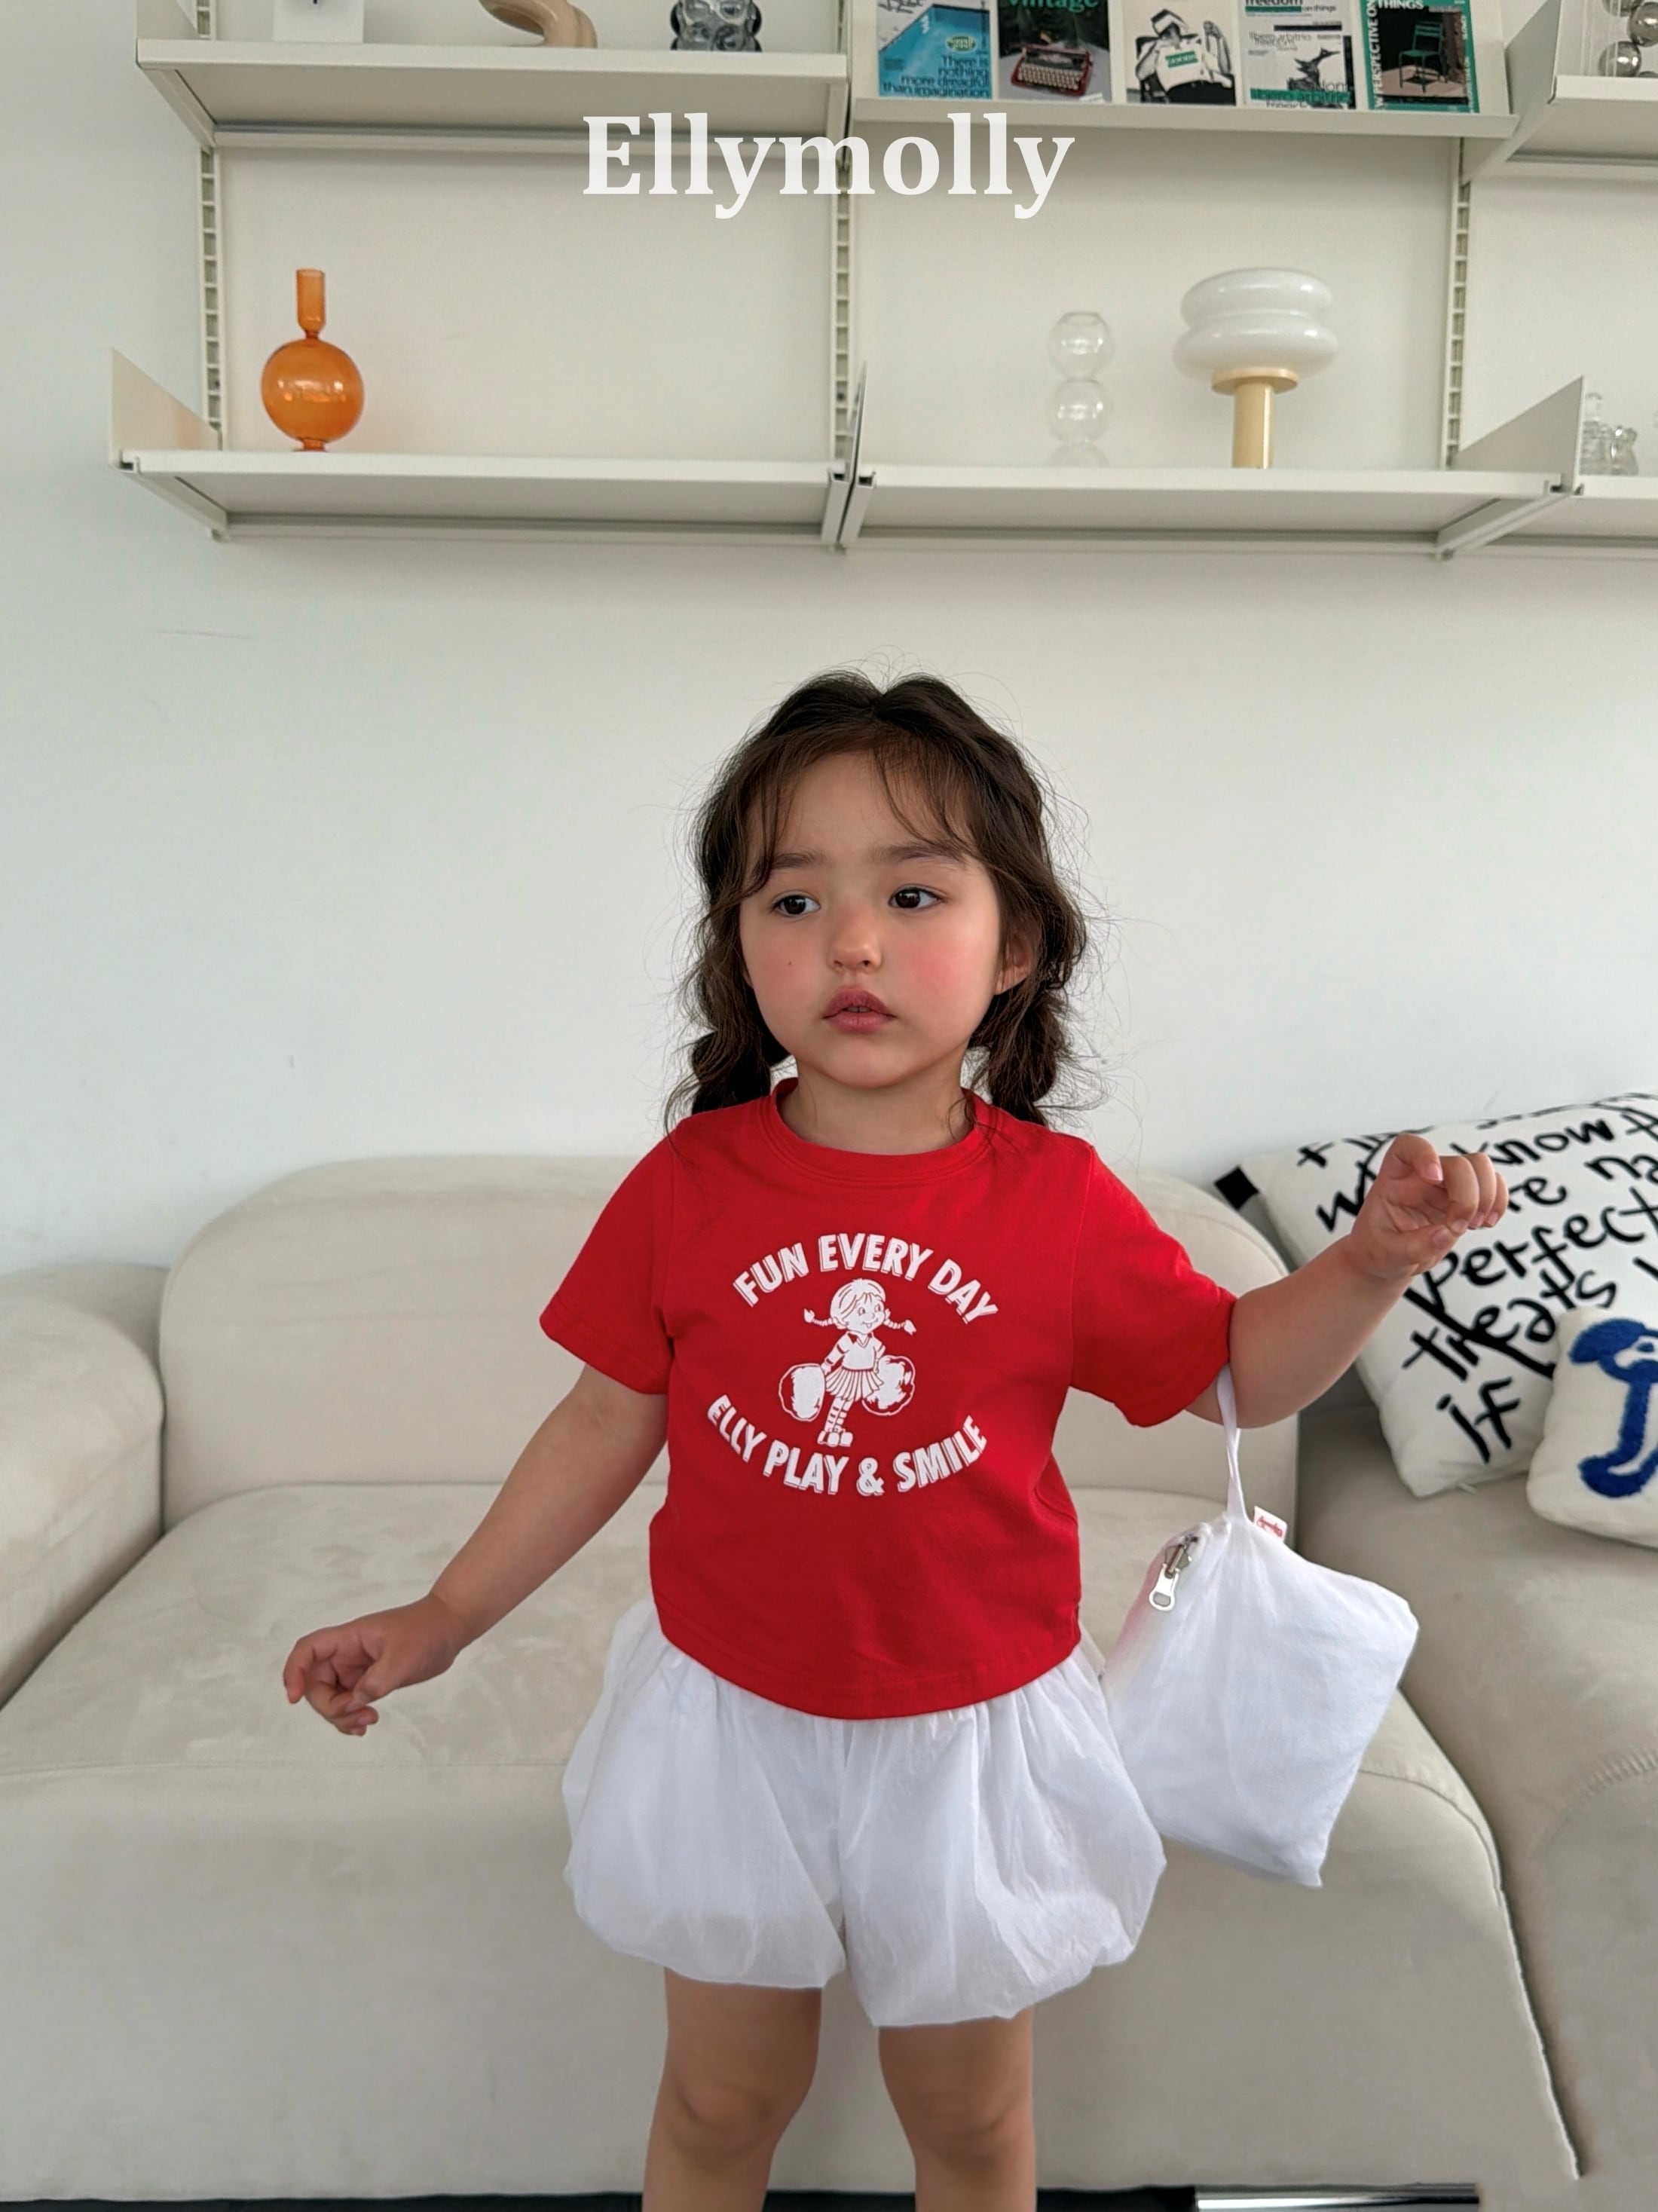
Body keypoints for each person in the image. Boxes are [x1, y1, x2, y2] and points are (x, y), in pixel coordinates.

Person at [282, 669, 1509, 2212]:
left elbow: (1231, 1375)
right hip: (732, 1719)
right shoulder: (689, 1186)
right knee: (721, 2102)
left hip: (971, 1728)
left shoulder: (1054, 1203)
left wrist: (1369, 1263)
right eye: (793, 900)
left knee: (971, 2121)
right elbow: (603, 1415)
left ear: (1017, 945)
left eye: (912, 893)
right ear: (739, 946)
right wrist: (445, 1614)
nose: (849, 942)